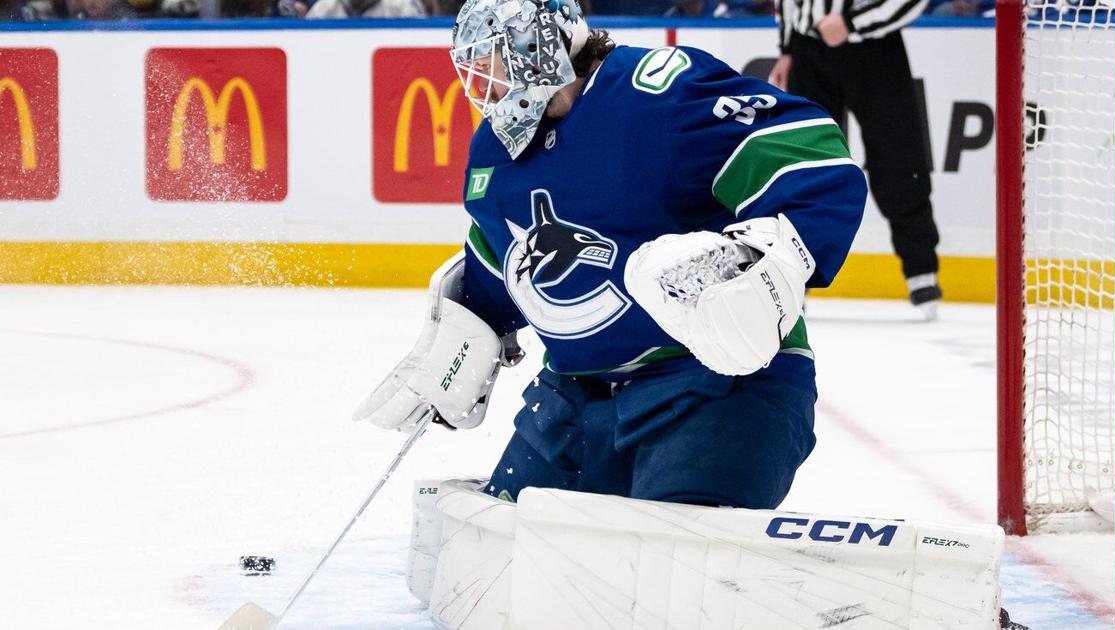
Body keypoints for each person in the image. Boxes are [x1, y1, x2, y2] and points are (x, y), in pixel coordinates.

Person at [356, 0, 866, 511]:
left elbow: (810, 157)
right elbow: (499, 264)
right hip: (572, 403)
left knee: (671, 549)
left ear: (538, 47)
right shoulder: (493, 149)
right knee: (498, 547)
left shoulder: (655, 91)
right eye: (473, 71)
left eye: (492, 66)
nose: (484, 91)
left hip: (716, 391)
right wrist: (463, 338)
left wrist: (763, 254)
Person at [770, 0, 943, 319]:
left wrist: (852, 22)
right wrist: (788, 48)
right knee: (803, 166)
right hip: (809, 52)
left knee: (898, 159)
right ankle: (794, 276)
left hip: (875, 50)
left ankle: (921, 269)